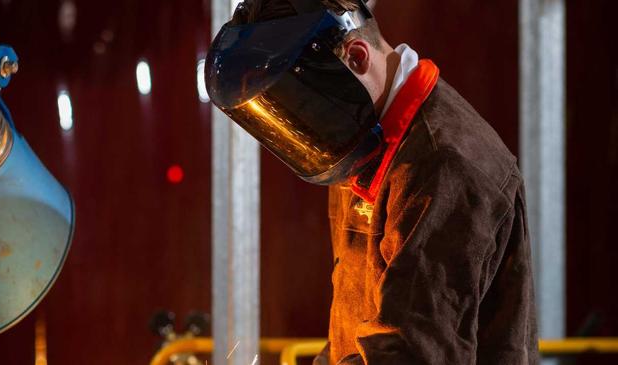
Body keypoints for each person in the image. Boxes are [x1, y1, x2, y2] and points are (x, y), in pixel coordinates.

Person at [205, 0, 538, 363]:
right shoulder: (363, 146)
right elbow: (354, 331)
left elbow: (411, 353)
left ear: (357, 57)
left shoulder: (444, 165)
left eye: (309, 105)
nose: (308, 124)